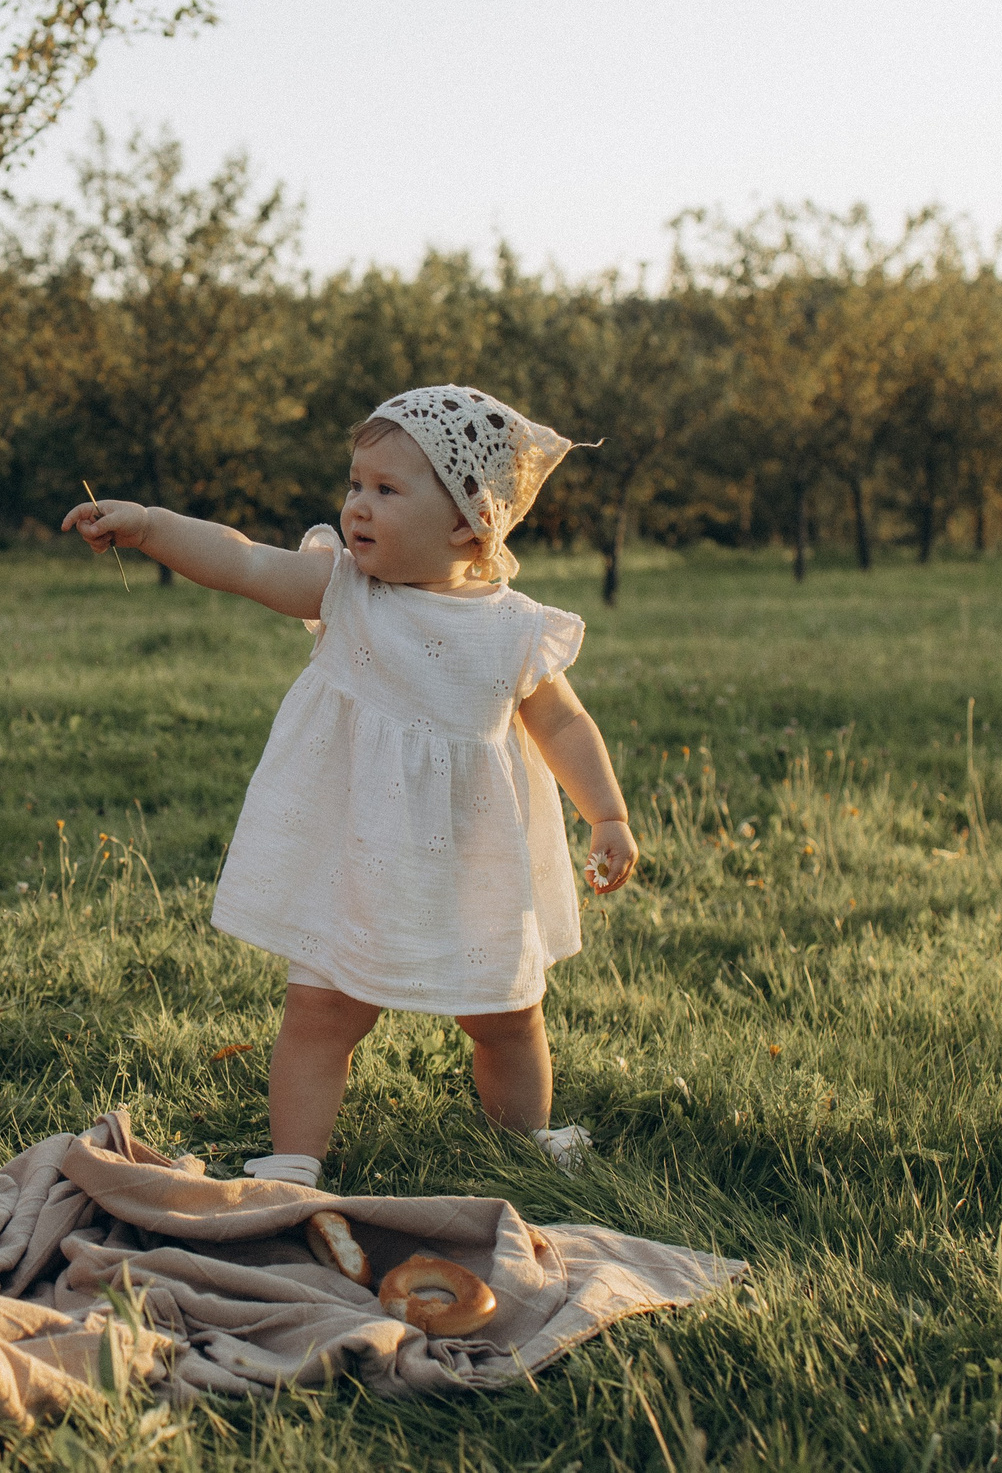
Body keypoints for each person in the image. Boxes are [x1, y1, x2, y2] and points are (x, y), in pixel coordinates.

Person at [63, 386, 637, 1188]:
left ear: (469, 522)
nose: (357, 507)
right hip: (359, 855)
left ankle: (524, 1136)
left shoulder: (515, 628)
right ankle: (295, 1159)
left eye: (387, 490)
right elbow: (243, 559)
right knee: (322, 1011)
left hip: (475, 863)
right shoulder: (344, 590)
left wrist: (604, 812)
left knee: (507, 1015)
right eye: (355, 483)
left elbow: (566, 727)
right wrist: (153, 526)